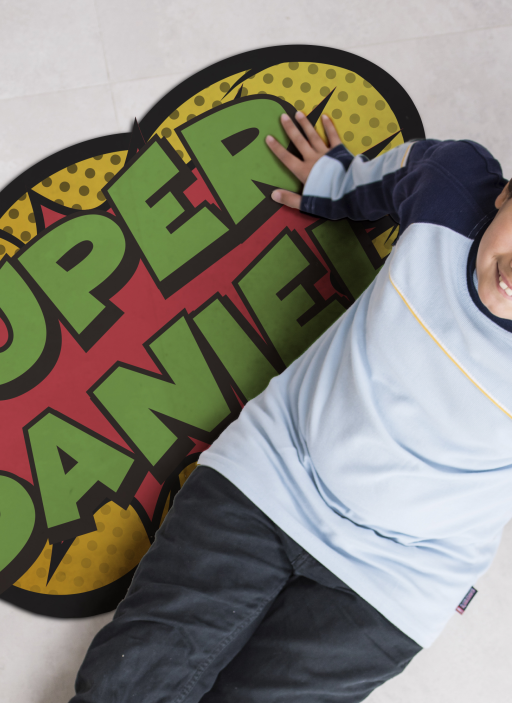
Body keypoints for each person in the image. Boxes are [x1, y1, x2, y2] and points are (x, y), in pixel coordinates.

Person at [68, 109, 511, 703]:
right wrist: (336, 180)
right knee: (122, 688)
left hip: (398, 580)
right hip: (270, 476)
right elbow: (398, 174)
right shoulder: (453, 186)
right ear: (506, 194)